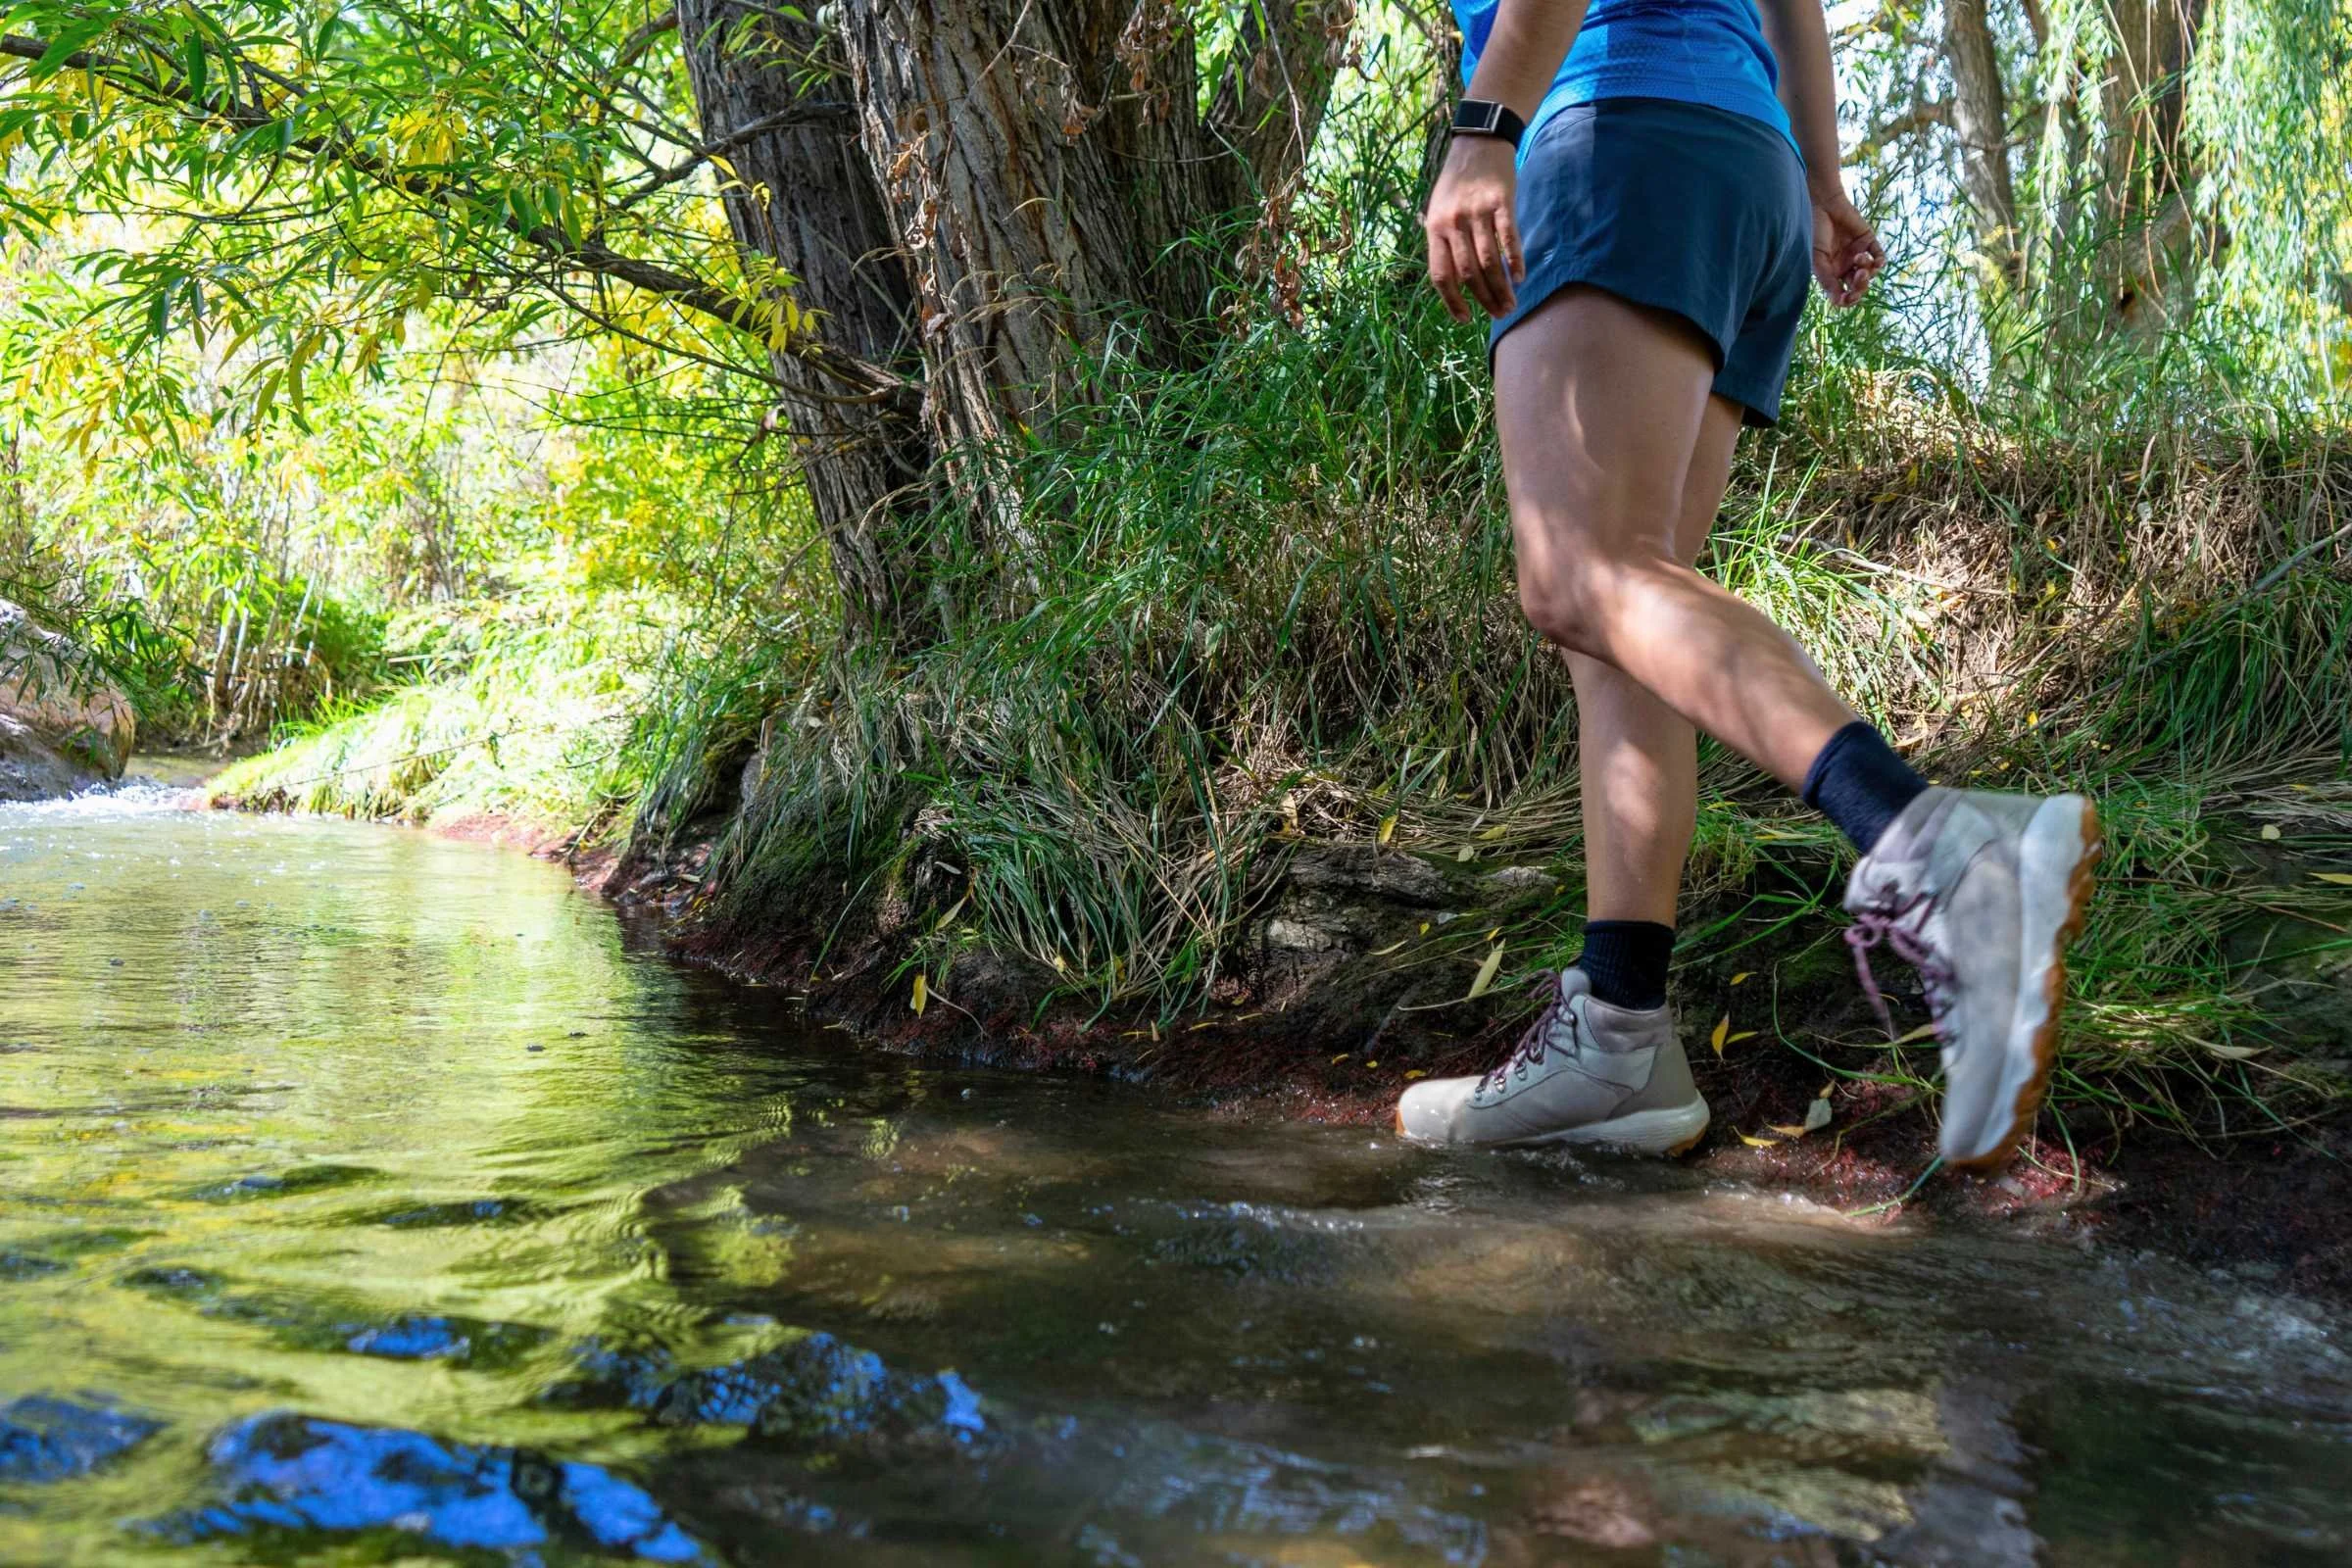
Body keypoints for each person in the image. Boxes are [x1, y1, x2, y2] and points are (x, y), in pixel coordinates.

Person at [1392, 0, 2101, 1170]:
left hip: (1616, 127)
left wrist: (1483, 127)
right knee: (1624, 614)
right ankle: (1618, 1036)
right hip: (1739, 159)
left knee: (1577, 574)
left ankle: (1939, 850)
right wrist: (1819, 181)